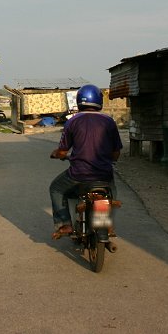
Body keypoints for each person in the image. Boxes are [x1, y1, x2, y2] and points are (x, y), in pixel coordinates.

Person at [49, 84, 123, 240]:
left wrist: (57, 154)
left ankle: (64, 224)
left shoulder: (72, 121)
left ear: (79, 101)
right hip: (103, 173)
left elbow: (63, 151)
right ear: (98, 101)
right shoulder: (109, 122)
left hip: (78, 174)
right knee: (110, 189)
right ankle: (107, 222)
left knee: (56, 188)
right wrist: (109, 161)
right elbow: (116, 152)